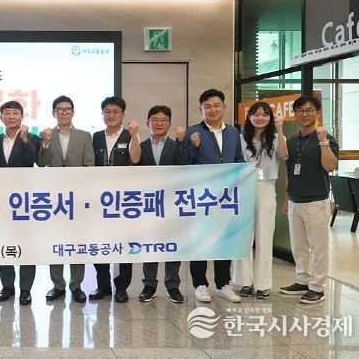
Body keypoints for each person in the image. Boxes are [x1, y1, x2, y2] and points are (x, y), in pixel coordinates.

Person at [183, 88, 244, 303]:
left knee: (224, 240)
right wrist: (193, 146)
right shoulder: (193, 132)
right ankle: (200, 284)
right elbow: (184, 164)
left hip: (226, 197)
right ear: (201, 109)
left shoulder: (233, 132)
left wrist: (247, 170)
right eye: (207, 106)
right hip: (202, 197)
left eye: (217, 105)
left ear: (224, 107)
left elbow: (238, 158)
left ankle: (223, 284)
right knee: (201, 240)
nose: (212, 110)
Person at [279, 95, 338, 304]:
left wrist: (323, 142)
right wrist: (287, 197)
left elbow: (330, 166)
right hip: (295, 201)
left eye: (309, 110)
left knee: (319, 247)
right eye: (300, 110)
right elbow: (289, 170)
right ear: (295, 114)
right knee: (299, 246)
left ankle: (317, 287)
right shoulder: (292, 140)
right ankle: (302, 280)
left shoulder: (326, 138)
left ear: (317, 112)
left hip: (316, 201)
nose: (304, 114)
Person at [37, 95, 93, 303]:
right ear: (54, 113)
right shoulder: (46, 135)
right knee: (56, 241)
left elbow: (89, 165)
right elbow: (41, 162)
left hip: (77, 198)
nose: (64, 112)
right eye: (59, 109)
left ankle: (76, 285)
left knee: (77, 243)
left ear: (73, 112)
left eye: (67, 109)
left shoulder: (85, 136)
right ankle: (58, 285)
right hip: (54, 199)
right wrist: (45, 144)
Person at [232, 102, 288, 299]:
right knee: (243, 236)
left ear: (270, 118)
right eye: (256, 114)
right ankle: (244, 282)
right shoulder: (240, 138)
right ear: (249, 117)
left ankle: (263, 284)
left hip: (266, 188)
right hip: (244, 188)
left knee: (265, 236)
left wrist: (280, 129)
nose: (260, 118)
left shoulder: (277, 137)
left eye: (265, 114)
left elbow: (284, 155)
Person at [0, 101, 40, 306]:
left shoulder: (32, 138)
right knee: (4, 242)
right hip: (1, 201)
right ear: (1, 117)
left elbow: (32, 160)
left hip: (26, 201)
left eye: (15, 113)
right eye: (7, 113)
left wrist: (25, 140)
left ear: (22, 116)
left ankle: (26, 289)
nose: (11, 117)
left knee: (27, 244)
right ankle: (7, 286)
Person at [90, 96, 141, 303]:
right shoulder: (95, 137)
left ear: (123, 114)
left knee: (123, 244)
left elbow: (136, 159)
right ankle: (103, 286)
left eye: (116, 112)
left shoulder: (130, 136)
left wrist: (134, 136)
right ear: (102, 114)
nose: (111, 115)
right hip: (99, 200)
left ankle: (121, 287)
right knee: (100, 242)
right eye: (107, 112)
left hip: (123, 201)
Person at [136, 105, 187, 304]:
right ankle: (149, 285)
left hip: (172, 203)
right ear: (147, 122)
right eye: (155, 119)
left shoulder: (177, 145)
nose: (159, 123)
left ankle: (172, 285)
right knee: (150, 243)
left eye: (163, 119)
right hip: (149, 203)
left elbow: (184, 167)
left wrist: (182, 141)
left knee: (173, 244)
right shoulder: (141, 146)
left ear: (169, 123)